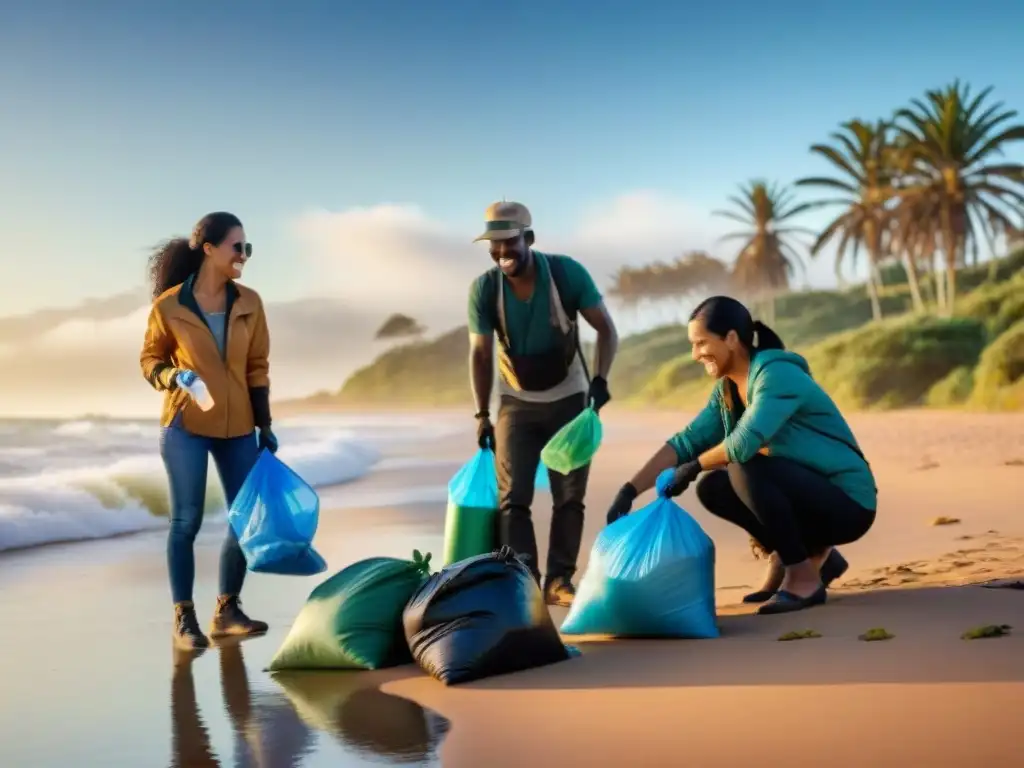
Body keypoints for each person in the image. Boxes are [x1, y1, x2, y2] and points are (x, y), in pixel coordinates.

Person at [605, 296, 876, 615]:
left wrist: (691, 468)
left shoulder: (776, 375)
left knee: (743, 466)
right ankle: (815, 558)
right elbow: (686, 442)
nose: (695, 355)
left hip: (849, 503)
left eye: (701, 343)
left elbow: (743, 442)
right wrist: (629, 490)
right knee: (714, 487)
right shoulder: (728, 390)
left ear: (731, 338)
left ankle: (804, 578)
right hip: (810, 498)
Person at [467, 201, 619, 607]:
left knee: (568, 496)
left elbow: (606, 329)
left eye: (509, 242)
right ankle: (526, 581)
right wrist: (482, 414)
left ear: (528, 239)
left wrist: (601, 380)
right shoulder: (484, 289)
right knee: (513, 498)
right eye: (494, 245)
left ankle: (560, 580)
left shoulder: (566, 274)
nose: (502, 253)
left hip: (570, 398)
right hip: (515, 403)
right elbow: (481, 355)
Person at [140, 211, 278, 649]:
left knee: (243, 517)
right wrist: (170, 377)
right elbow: (149, 360)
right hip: (186, 424)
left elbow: (257, 367)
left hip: (238, 425)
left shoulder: (251, 303)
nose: (244, 255)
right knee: (187, 521)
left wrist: (265, 424)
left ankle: (227, 610)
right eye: (238, 247)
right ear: (209, 249)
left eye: (247, 248)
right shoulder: (170, 306)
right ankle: (184, 618)